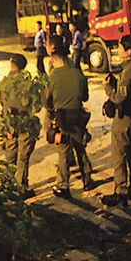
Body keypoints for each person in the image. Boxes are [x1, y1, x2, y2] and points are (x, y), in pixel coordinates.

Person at [101, 34, 131, 208]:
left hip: (124, 118)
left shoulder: (129, 72)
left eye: (120, 47)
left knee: (119, 156)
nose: (118, 50)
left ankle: (121, 193)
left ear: (128, 51)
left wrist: (108, 87)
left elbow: (119, 98)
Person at [45, 48, 93, 199]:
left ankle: (63, 185)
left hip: (61, 119)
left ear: (54, 59)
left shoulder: (51, 77)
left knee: (64, 152)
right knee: (80, 148)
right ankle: (87, 180)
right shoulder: (78, 74)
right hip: (77, 116)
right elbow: (85, 96)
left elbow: (46, 101)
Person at [0, 54, 41, 199]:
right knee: (23, 157)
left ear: (11, 65)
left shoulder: (3, 82)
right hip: (25, 124)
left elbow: (1, 104)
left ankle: (7, 186)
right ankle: (21, 187)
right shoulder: (27, 83)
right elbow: (37, 106)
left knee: (10, 155)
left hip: (10, 124)